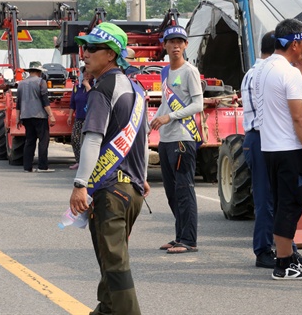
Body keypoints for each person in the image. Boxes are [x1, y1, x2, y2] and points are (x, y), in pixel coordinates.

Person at [70, 22, 150, 315]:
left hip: (111, 191)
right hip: (132, 189)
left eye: (92, 48)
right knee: (110, 260)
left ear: (111, 53)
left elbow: (92, 139)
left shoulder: (103, 88)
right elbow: (141, 136)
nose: (84, 53)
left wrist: (80, 184)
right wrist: (141, 177)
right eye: (84, 47)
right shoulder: (134, 87)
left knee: (115, 264)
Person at [241, 31, 302, 269]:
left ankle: (287, 250)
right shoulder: (258, 74)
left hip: (266, 139)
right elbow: (287, 110)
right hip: (262, 138)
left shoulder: (261, 72)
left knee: (281, 199)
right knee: (266, 198)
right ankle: (263, 250)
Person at [150, 25, 204, 254]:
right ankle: (179, 236)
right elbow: (165, 102)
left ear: (185, 45)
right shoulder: (165, 72)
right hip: (166, 138)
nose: (176, 46)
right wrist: (154, 119)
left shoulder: (189, 71)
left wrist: (169, 117)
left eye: (180, 42)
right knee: (172, 192)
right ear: (164, 45)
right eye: (171, 42)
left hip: (183, 137)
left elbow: (197, 105)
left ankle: (189, 240)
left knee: (184, 189)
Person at [16, 61, 56, 172]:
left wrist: (17, 118)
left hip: (26, 116)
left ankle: (27, 167)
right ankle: (42, 166)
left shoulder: (21, 84)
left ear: (30, 71)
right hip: (39, 115)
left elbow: (18, 103)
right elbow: (45, 100)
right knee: (43, 140)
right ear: (39, 72)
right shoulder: (41, 82)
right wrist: (51, 115)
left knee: (30, 141)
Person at [67, 66, 93, 170]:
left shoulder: (95, 85)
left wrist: (87, 86)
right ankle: (79, 161)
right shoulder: (77, 87)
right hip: (79, 117)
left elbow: (93, 97)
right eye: (85, 73)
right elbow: (72, 103)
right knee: (75, 139)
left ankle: (88, 163)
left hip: (90, 118)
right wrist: (70, 116)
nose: (86, 75)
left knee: (89, 141)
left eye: (88, 73)